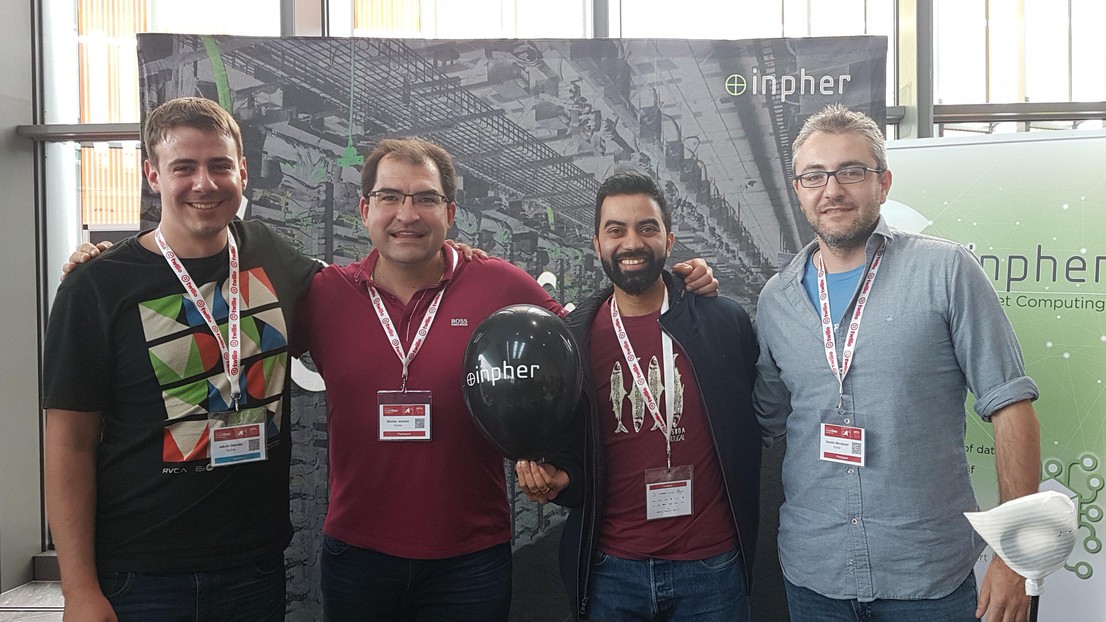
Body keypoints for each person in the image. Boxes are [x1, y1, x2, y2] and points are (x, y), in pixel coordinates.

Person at [289, 140, 718, 621]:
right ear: (365, 208)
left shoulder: (498, 284)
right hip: (358, 554)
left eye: (426, 199)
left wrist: (672, 283)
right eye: (390, 197)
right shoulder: (326, 295)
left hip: (470, 558)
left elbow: (590, 335)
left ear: (450, 212)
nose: (407, 214)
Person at [753, 103, 1041, 622]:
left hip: (926, 574)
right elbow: (769, 418)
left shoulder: (946, 271)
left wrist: (1014, 554)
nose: (832, 189)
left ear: (883, 183)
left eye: (851, 172)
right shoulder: (776, 299)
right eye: (814, 176)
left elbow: (1011, 407)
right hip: (816, 573)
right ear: (798, 189)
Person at [43, 97, 320, 621]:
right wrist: (77, 589)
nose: (204, 183)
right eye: (183, 168)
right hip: (139, 572)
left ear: (242, 171)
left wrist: (452, 258)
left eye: (219, 165)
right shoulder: (97, 287)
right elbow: (69, 444)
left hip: (254, 565)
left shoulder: (269, 252)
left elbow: (366, 290)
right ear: (153, 175)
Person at [515, 170, 761, 621]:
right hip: (611, 571)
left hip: (710, 568)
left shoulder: (723, 322)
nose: (632, 242)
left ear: (669, 240)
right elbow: (574, 450)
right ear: (597, 245)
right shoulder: (575, 340)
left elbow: (750, 427)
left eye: (646, 228)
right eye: (616, 230)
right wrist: (559, 481)